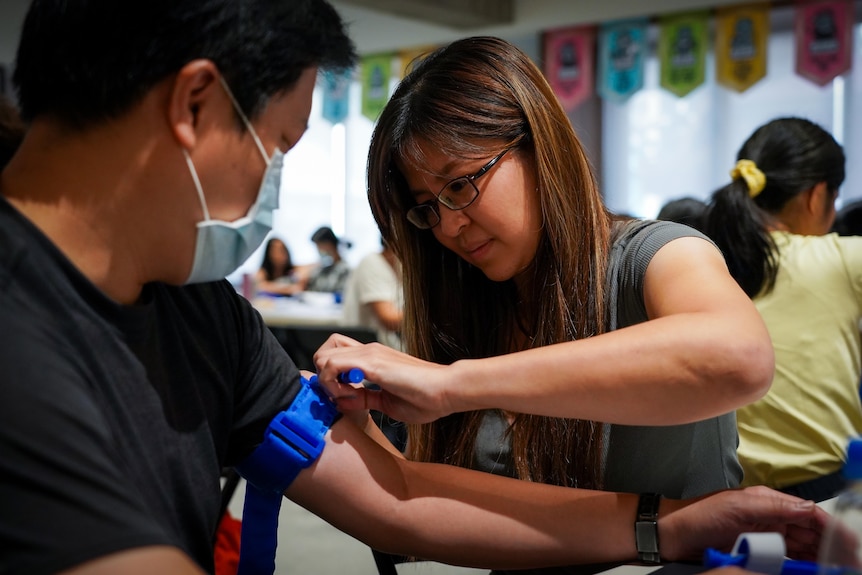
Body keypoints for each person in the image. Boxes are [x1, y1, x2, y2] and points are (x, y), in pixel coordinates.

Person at [0, 5, 827, 575]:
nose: (272, 183)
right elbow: (398, 494)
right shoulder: (30, 330)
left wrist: (660, 526)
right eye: (280, 143)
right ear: (195, 104)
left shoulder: (204, 310)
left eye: (461, 187)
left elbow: (393, 493)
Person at [313, 32, 775, 544]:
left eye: (461, 185)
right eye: (427, 209)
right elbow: (435, 499)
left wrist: (454, 385)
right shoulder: (474, 298)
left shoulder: (654, 254)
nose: (448, 228)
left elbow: (739, 358)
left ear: (538, 145)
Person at [701, 117, 862, 502]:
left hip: (715, 499)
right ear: (816, 196)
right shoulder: (838, 259)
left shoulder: (703, 261)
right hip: (819, 493)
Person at [341, 237, 403, 350]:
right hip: (364, 348)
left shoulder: (398, 267)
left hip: (382, 347)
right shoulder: (372, 262)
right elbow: (389, 319)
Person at [306, 225, 351, 294]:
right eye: (318, 247)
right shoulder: (320, 270)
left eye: (321, 246)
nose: (320, 250)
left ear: (332, 245)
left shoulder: (346, 270)